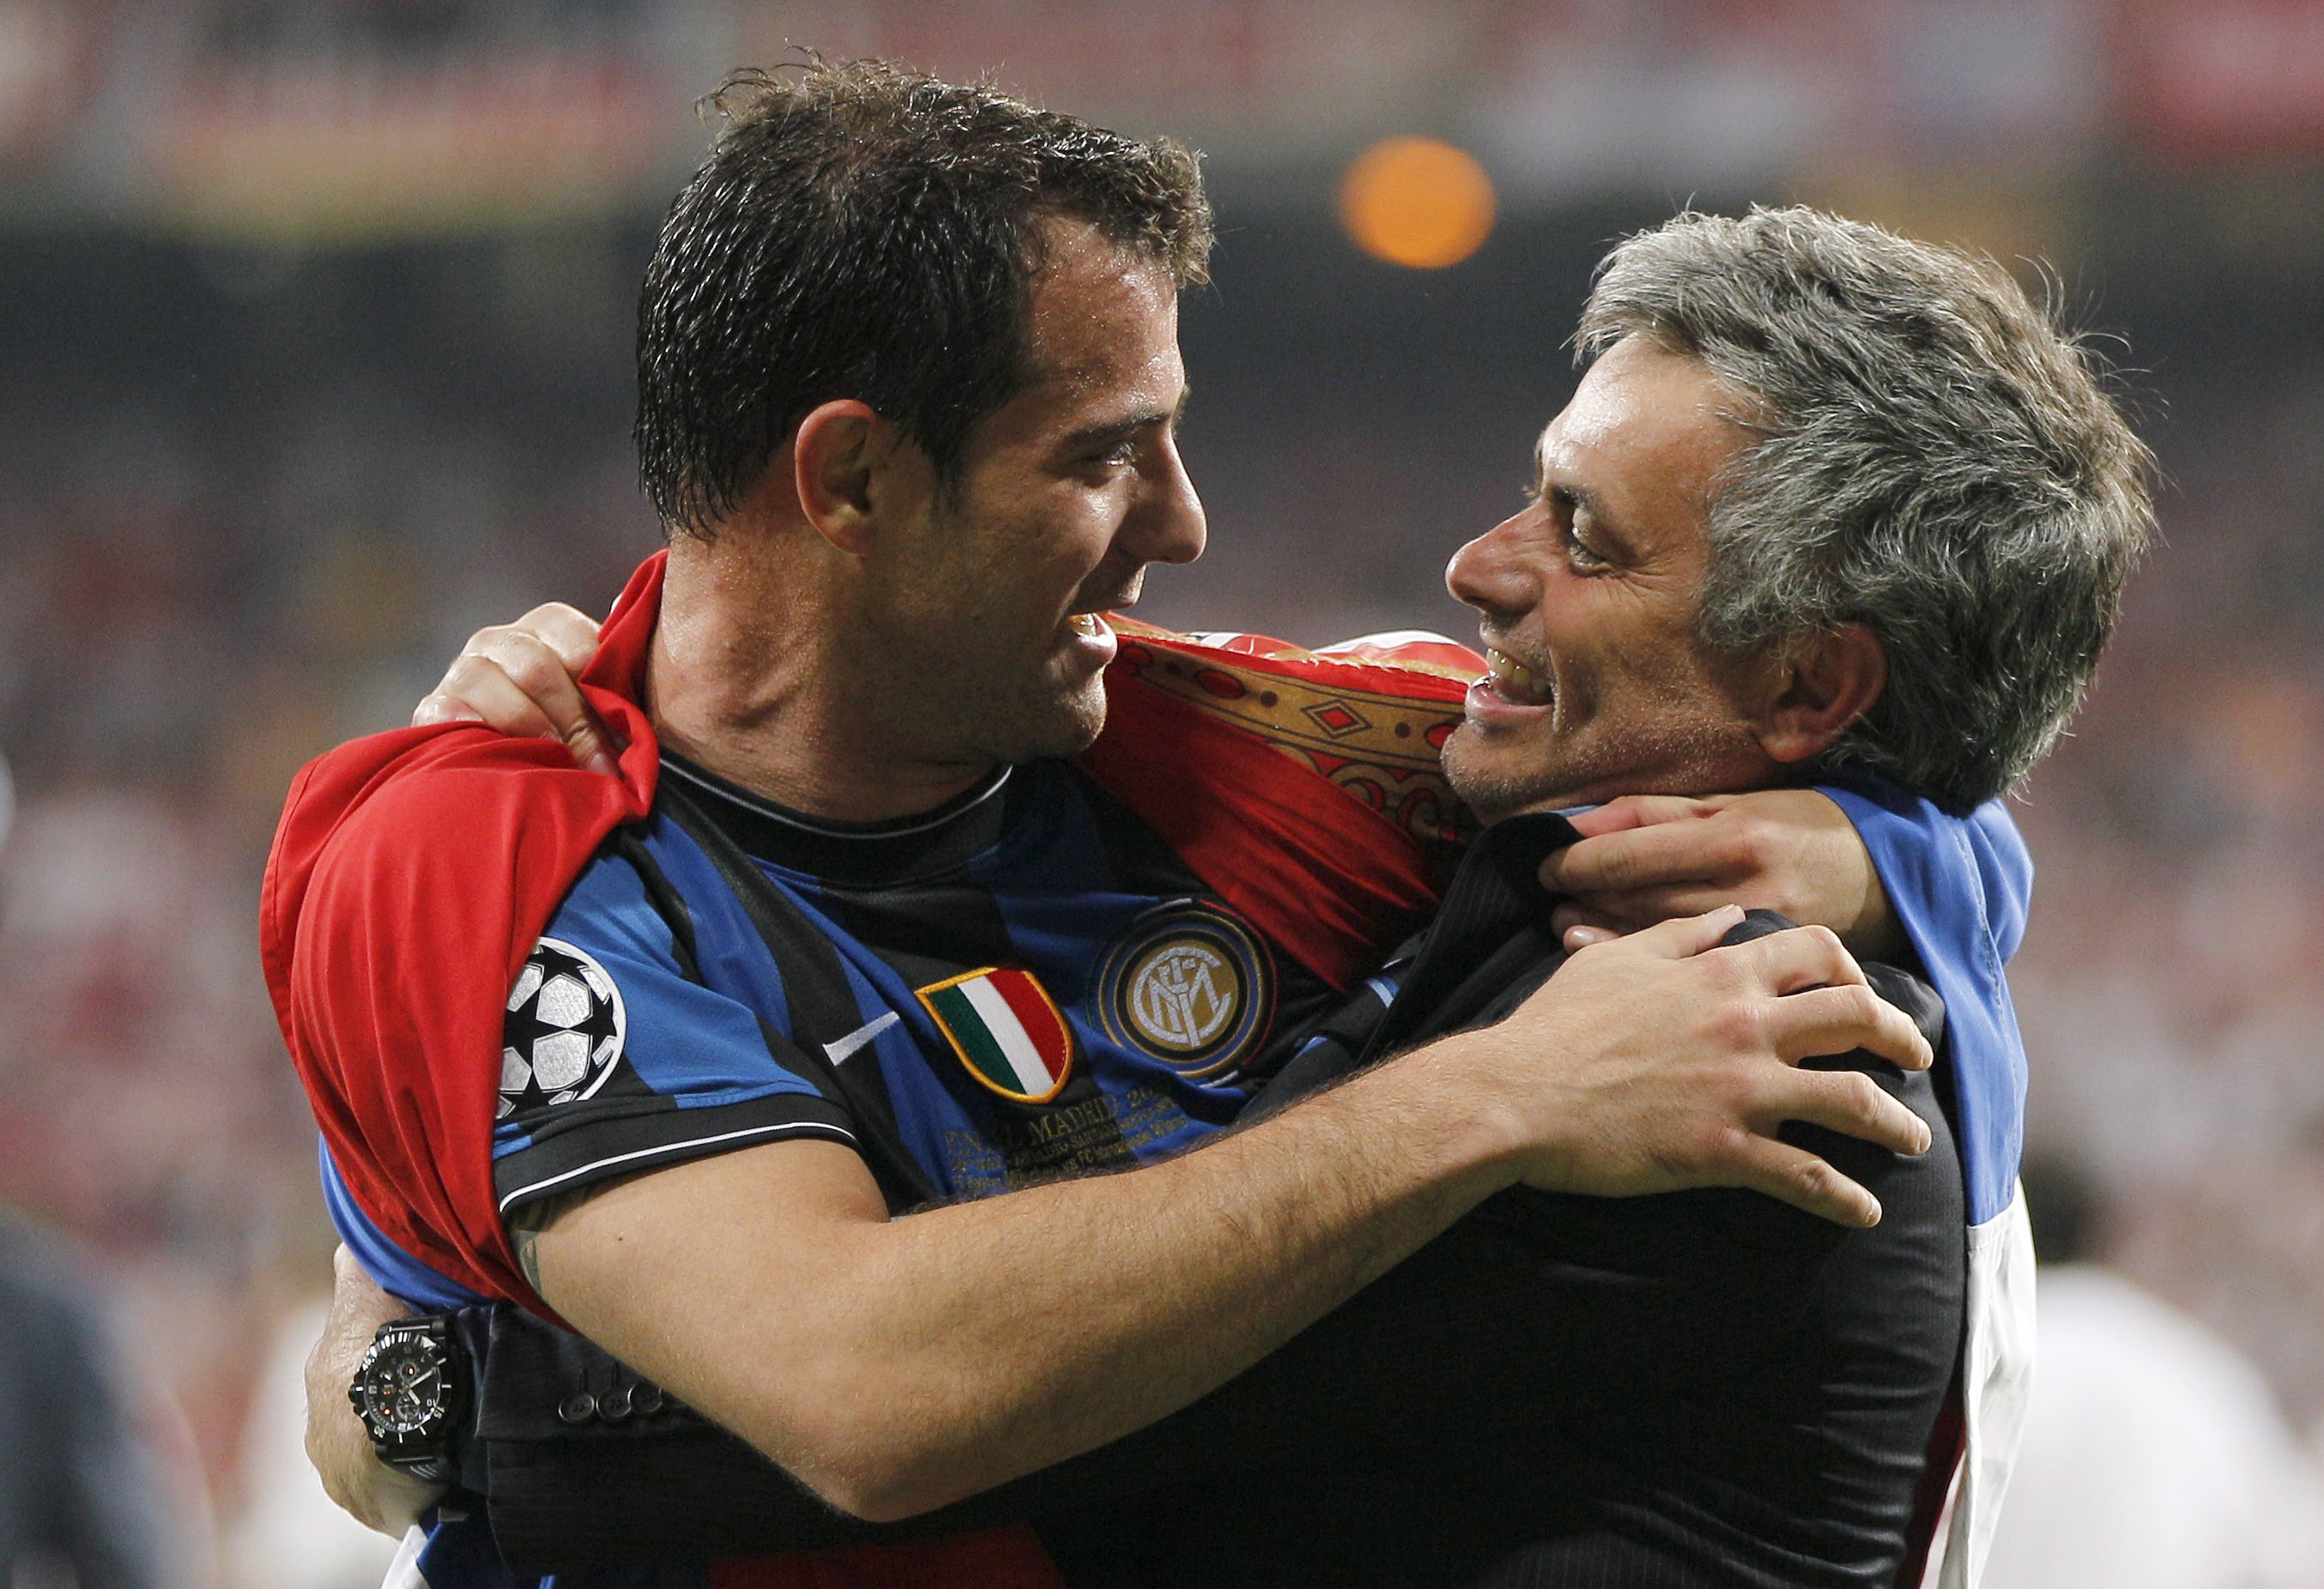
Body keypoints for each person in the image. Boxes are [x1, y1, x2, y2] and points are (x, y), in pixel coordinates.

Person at [301, 185, 2147, 1588]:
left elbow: (903, 1412)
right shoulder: (1505, 840)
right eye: (1103, 450)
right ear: (848, 481)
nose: (1477, 562)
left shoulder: (1721, 1064)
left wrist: (465, 1388)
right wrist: (1920, 844)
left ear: (1810, 685)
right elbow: (374, 1371)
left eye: (1582, 535)